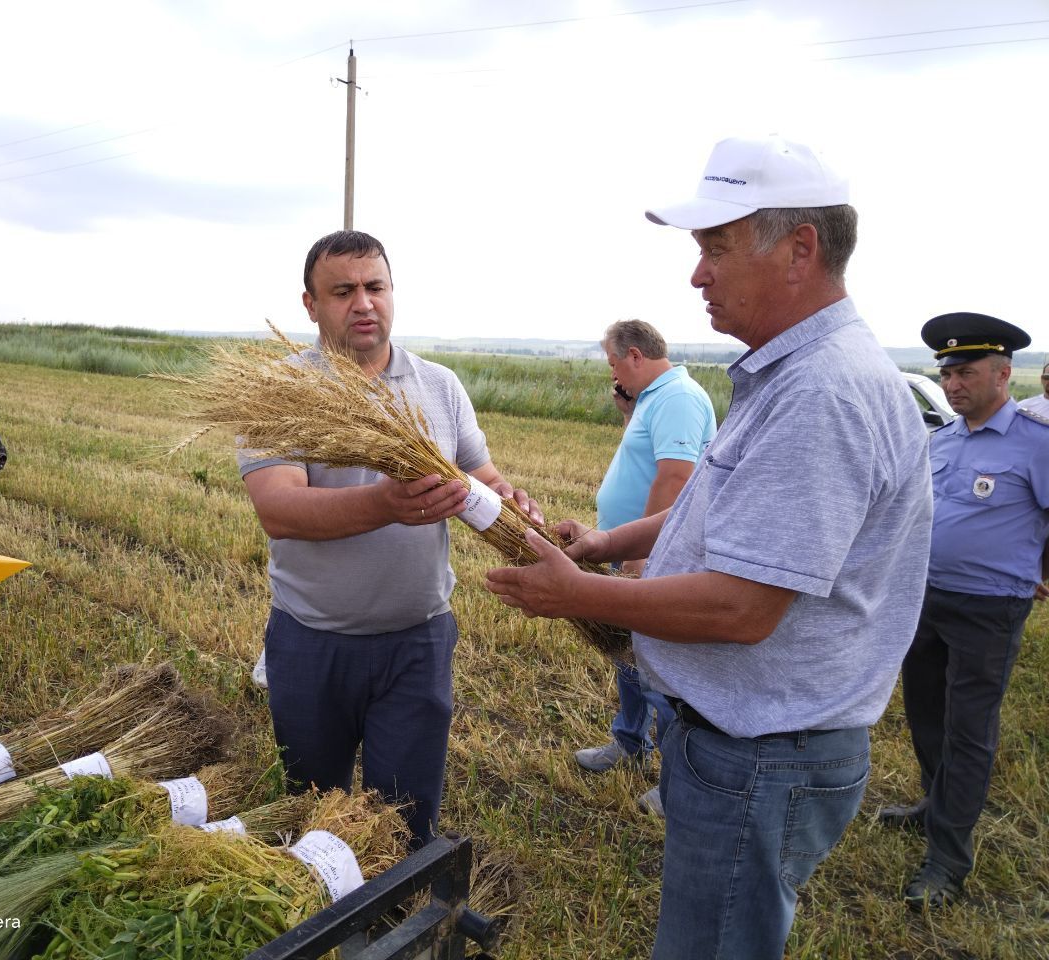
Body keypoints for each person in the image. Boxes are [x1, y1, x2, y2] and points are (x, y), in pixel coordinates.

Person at [484, 135, 932, 959]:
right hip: (752, 748)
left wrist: (577, 594)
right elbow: (716, 509)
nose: (697, 275)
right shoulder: (789, 375)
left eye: (715, 248)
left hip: (763, 757)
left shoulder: (824, 392)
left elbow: (743, 606)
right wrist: (606, 543)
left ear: (800, 249)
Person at [238, 229, 541, 848]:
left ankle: (394, 930)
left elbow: (480, 476)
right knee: (312, 812)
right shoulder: (277, 394)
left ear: (392, 292)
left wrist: (513, 505)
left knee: (405, 820)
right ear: (310, 304)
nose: (363, 303)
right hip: (312, 643)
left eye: (375, 287)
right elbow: (282, 510)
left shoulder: (439, 386)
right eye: (343, 291)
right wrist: (386, 504)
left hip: (417, 642)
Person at [878, 312, 1048, 910]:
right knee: (924, 712)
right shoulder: (942, 440)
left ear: (1003, 373)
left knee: (969, 729)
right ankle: (934, 800)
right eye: (946, 373)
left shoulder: (1037, 442)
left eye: (966, 372)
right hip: (923, 597)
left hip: (990, 608)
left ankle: (948, 858)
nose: (952, 384)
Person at [573, 321, 716, 817]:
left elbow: (675, 479)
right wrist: (630, 409)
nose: (613, 375)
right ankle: (629, 742)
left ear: (634, 356)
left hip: (653, 556)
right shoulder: (653, 398)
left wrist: (640, 561)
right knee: (626, 657)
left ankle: (675, 779)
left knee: (658, 669)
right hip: (627, 547)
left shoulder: (677, 397)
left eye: (614, 365)